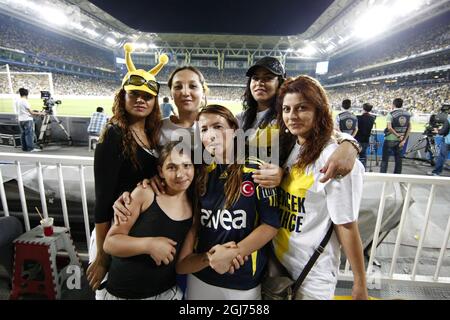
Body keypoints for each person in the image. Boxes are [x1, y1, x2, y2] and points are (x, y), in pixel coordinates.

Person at [274, 75, 368, 300]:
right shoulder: (293, 145)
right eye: (286, 109)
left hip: (313, 274)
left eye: (302, 108)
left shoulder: (333, 158)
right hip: (279, 263)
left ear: (319, 110)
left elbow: (345, 224)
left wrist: (360, 283)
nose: (292, 116)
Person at [86, 43, 168, 297]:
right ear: (123, 96)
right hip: (113, 231)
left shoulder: (152, 134)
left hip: (137, 231)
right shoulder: (114, 134)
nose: (141, 100)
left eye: (148, 96)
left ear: (155, 101)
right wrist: (102, 255)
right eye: (134, 94)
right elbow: (102, 200)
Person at [176, 105, 280, 300]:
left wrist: (234, 253)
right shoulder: (199, 172)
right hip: (201, 276)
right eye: (204, 130)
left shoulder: (257, 170)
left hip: (243, 279)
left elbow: (270, 225)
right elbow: (196, 222)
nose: (211, 135)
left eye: (218, 127)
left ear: (234, 130)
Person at [238, 56, 362, 185]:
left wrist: (350, 145)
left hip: (275, 195)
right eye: (255, 78)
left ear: (280, 83)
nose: (260, 83)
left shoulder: (290, 118)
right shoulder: (241, 118)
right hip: (243, 190)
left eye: (268, 78)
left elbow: (331, 132)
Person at [102, 141, 194, 300]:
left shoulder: (195, 202)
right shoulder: (145, 193)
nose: (180, 174)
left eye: (186, 165)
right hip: (123, 293)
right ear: (160, 171)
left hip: (167, 292)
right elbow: (110, 243)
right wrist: (149, 245)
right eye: (171, 167)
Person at [380, 98, 411, 174]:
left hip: (389, 139)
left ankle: (382, 175)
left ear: (393, 105)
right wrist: (403, 140)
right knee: (399, 160)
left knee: (385, 159)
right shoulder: (407, 114)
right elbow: (409, 128)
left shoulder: (390, 114)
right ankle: (397, 176)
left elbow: (389, 128)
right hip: (401, 141)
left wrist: (397, 136)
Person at [15, 88, 42, 152]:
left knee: (23, 134)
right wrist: (41, 113)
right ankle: (30, 148)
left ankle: (24, 148)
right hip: (27, 120)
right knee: (29, 134)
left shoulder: (17, 101)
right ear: (27, 94)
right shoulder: (25, 101)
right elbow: (31, 113)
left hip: (20, 120)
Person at [427, 112, 449, 176]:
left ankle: (436, 172)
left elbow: (442, 132)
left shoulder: (448, 119)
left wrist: (437, 131)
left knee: (441, 157)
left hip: (447, 141)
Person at [355, 103, 376, 169]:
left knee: (354, 155)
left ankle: (354, 169)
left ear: (363, 108)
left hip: (357, 139)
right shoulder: (372, 118)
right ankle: (363, 169)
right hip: (366, 139)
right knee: (363, 155)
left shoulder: (358, 117)